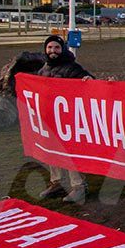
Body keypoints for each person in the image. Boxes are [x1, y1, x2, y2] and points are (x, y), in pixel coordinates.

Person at [37, 34, 94, 204]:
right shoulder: (43, 70)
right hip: (50, 118)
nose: (53, 51)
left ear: (62, 49)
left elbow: (88, 81)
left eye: (56, 48)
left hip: (68, 120)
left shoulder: (72, 68)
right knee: (51, 152)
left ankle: (79, 186)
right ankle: (56, 182)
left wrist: (88, 80)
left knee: (69, 153)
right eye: (50, 48)